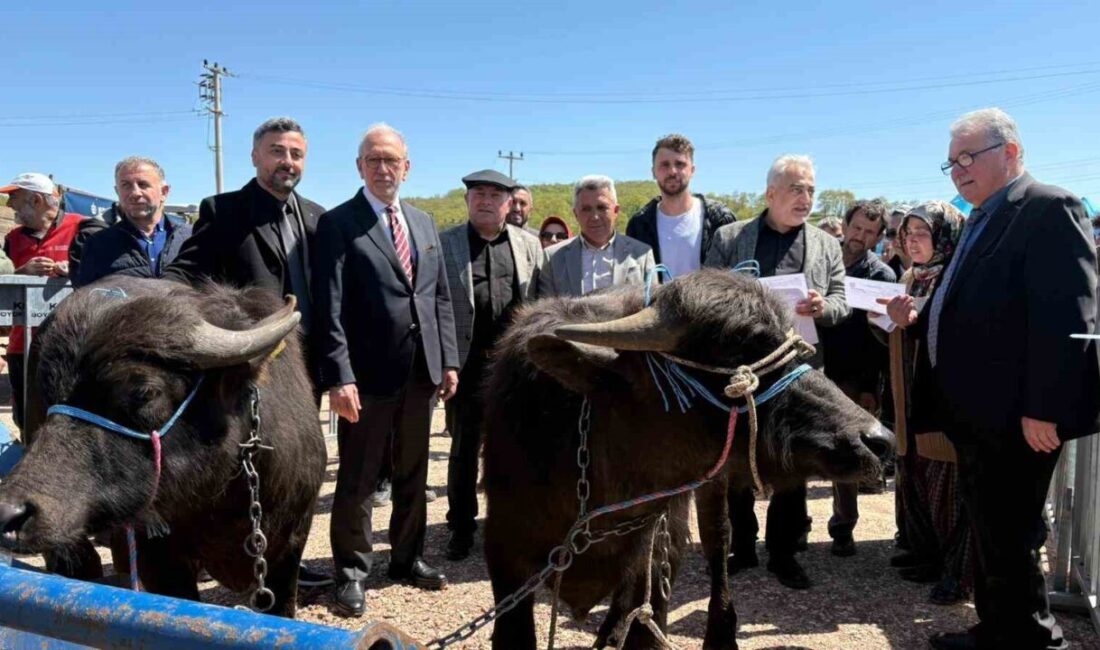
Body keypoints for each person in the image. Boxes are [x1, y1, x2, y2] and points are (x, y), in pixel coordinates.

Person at [885, 108, 1099, 650]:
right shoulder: (980, 218)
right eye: (950, 162)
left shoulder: (1049, 208)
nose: (957, 170)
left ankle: (1035, 639)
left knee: (1013, 534)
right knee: (991, 532)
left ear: (1010, 153)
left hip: (1018, 418)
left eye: (967, 157)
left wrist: (1047, 407)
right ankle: (998, 629)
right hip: (976, 416)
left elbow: (1069, 317)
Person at [313, 123, 459, 616]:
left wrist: (449, 360)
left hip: (421, 373)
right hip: (366, 378)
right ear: (359, 167)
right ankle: (352, 572)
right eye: (373, 160)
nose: (382, 168)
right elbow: (328, 308)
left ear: (406, 167)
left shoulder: (423, 222)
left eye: (390, 160)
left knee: (413, 473)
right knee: (357, 478)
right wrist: (339, 376)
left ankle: (406, 558)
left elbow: (438, 296)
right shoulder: (338, 224)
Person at [706, 154, 849, 589]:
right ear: (770, 194)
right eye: (796, 189)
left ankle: (784, 553)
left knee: (793, 462)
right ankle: (742, 546)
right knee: (736, 460)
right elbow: (707, 292)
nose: (806, 197)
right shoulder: (731, 238)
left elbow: (842, 298)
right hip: (744, 371)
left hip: (798, 374)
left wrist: (825, 308)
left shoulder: (826, 244)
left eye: (810, 189)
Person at [439, 169, 544, 561]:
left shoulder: (530, 246)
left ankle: (513, 523)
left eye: (494, 195)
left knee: (517, 448)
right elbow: (438, 306)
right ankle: (461, 528)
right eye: (478, 194)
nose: (485, 200)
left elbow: (541, 305)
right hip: (465, 368)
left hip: (514, 368)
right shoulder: (445, 244)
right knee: (464, 451)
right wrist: (445, 362)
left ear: (509, 204)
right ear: (467, 201)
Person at [878, 201, 974, 609]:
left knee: (948, 490)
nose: (912, 241)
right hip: (909, 398)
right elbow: (899, 334)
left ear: (945, 236)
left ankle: (958, 574)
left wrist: (912, 324)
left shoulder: (958, 279)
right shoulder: (909, 277)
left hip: (943, 402)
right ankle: (928, 557)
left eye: (922, 233)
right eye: (908, 233)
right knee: (916, 477)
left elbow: (957, 338)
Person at [819, 200, 897, 558]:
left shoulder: (882, 276)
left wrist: (870, 388)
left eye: (869, 232)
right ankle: (794, 527)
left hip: (853, 378)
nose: (859, 237)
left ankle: (843, 527)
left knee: (846, 452)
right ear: (845, 226)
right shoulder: (820, 260)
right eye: (856, 228)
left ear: (878, 237)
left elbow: (880, 344)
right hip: (813, 367)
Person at [1, 173, 85, 433]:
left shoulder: (83, 228)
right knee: (27, 419)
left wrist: (74, 269)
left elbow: (104, 274)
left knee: (68, 420)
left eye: (14, 199)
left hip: (72, 345)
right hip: (22, 348)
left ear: (36, 200)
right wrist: (20, 272)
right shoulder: (11, 239)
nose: (9, 206)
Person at [626, 133, 735, 278]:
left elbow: (737, 276)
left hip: (709, 301)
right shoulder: (639, 226)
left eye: (680, 164)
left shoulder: (721, 219)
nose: (672, 171)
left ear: (692, 170)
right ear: (653, 172)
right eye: (665, 165)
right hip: (655, 301)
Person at [73, 157, 192, 287]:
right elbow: (86, 298)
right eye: (126, 185)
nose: (135, 193)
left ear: (164, 192)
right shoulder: (97, 244)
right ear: (117, 192)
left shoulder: (192, 238)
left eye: (143, 184)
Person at [538, 175, 654, 297]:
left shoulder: (642, 254)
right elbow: (546, 311)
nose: (595, 217)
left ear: (616, 211)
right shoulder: (553, 258)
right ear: (576, 214)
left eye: (602, 208)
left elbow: (652, 309)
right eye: (586, 209)